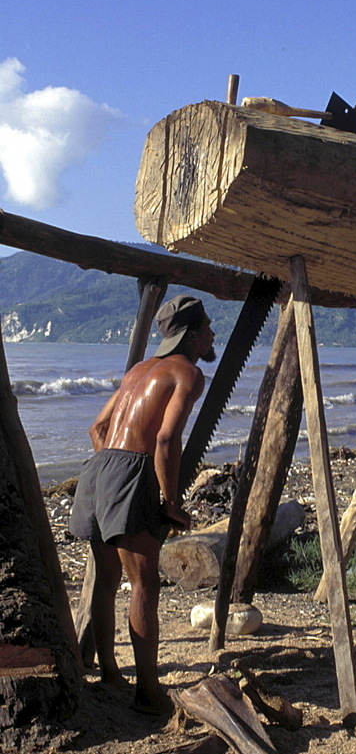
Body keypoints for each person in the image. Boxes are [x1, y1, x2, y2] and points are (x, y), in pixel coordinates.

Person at [69, 294, 215, 714]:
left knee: (107, 578)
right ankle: (148, 692)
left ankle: (111, 673)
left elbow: (98, 427)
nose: (212, 335)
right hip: (128, 471)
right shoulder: (187, 373)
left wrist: (111, 469)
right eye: (207, 327)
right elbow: (167, 441)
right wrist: (168, 500)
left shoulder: (137, 371)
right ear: (190, 335)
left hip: (98, 468)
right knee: (144, 584)